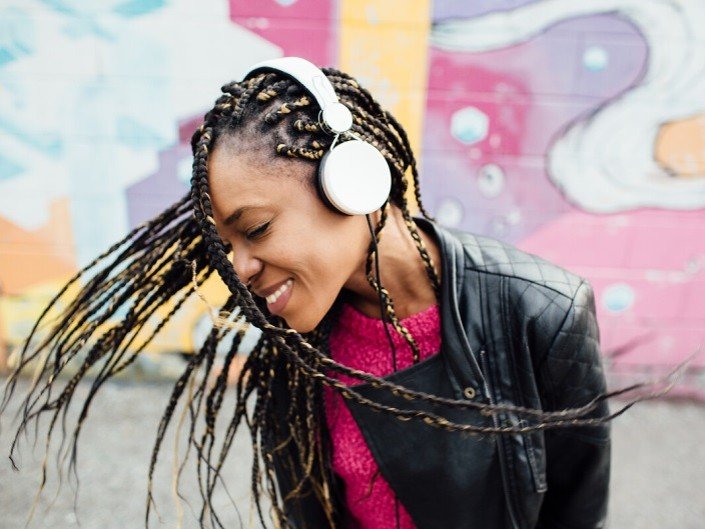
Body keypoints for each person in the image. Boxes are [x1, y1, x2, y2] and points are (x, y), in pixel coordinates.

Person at [0, 57, 682, 529]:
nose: (240, 267)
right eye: (225, 248)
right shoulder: (288, 341)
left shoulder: (542, 312)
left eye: (256, 228)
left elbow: (574, 514)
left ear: (354, 181)